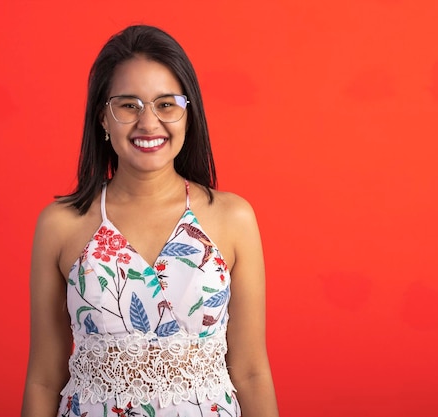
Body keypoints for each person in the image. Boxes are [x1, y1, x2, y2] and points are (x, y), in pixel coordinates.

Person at [22, 25, 279, 417]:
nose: (149, 123)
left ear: (188, 113)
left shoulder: (233, 218)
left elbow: (250, 373)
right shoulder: (61, 224)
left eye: (166, 104)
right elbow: (43, 377)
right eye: (129, 105)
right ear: (103, 119)